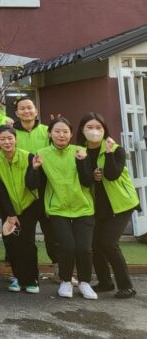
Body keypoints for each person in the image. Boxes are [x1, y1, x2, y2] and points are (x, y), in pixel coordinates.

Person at [26, 117, 97, 300]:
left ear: (71, 134)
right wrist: (34, 168)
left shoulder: (80, 151)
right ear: (49, 134)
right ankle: (65, 281)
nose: (61, 135)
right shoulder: (41, 154)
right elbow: (32, 185)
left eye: (65, 131)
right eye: (57, 131)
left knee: (84, 248)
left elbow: (88, 182)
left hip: (83, 207)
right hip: (57, 208)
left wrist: (83, 162)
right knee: (67, 246)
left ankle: (85, 283)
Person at [77, 113, 139, 299]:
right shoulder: (80, 151)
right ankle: (105, 282)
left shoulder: (116, 149)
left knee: (109, 243)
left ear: (105, 130)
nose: (94, 131)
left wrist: (109, 152)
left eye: (99, 127)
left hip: (121, 204)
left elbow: (112, 175)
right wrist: (90, 173)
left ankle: (126, 286)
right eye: (89, 127)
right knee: (95, 244)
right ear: (82, 130)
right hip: (97, 205)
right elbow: (84, 180)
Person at [0, 125, 42, 294]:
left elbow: (33, 185)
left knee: (27, 243)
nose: (7, 142)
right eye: (2, 139)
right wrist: (10, 214)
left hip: (29, 206)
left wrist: (34, 169)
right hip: (8, 208)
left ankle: (32, 279)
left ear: (16, 139)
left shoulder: (28, 156)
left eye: (10, 138)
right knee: (12, 244)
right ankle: (18, 278)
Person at [12, 96, 57, 278]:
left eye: (29, 107)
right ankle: (27, 274)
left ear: (36, 111)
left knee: (52, 233)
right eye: (22, 108)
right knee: (26, 236)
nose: (26, 111)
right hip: (23, 190)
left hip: (47, 189)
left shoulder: (47, 131)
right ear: (16, 113)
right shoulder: (12, 134)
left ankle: (60, 271)